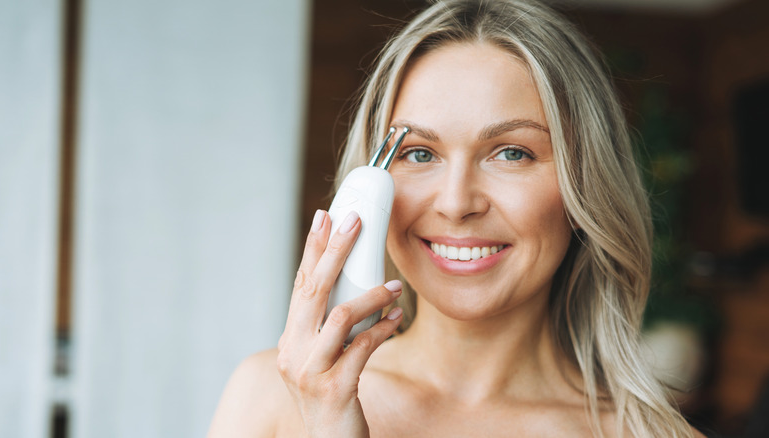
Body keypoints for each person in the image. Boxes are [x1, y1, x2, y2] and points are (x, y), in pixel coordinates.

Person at [208, 0, 706, 437]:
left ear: (585, 185)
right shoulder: (270, 400)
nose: (455, 202)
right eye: (421, 153)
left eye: (511, 152)